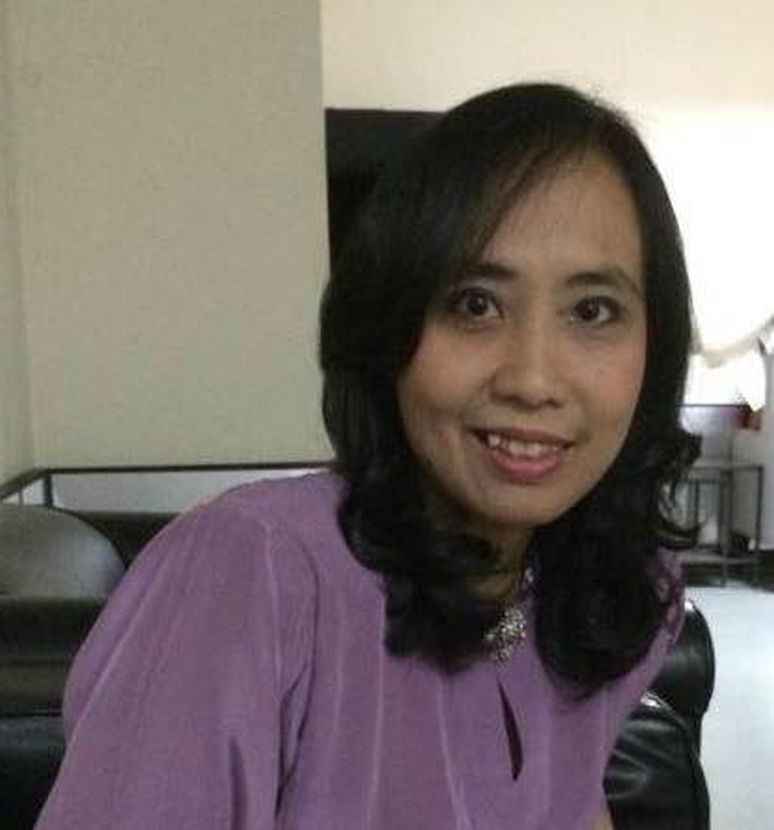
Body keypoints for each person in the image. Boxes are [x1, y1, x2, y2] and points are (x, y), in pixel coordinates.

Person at [35, 83, 698, 830]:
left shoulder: (619, 586)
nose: (533, 380)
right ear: (388, 327)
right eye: (476, 304)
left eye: (593, 311)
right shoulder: (254, 573)